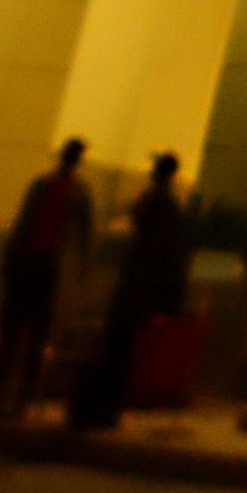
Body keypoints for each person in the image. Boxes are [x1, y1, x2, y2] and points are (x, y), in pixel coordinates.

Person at [69, 153, 189, 432]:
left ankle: (102, 408)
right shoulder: (167, 208)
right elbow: (171, 255)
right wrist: (169, 300)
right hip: (144, 287)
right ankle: (107, 410)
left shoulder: (148, 203)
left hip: (133, 284)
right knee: (122, 351)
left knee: (115, 347)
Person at [0, 137, 92, 416]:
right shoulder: (75, 192)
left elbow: (25, 221)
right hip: (40, 265)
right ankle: (15, 397)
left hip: (33, 263)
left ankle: (5, 395)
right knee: (28, 332)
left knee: (17, 331)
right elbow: (82, 236)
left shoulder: (49, 186)